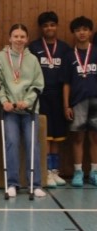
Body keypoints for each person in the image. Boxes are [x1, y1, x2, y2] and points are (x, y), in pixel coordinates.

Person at [0, 23, 46, 198]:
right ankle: (12, 183)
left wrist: (28, 101)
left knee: (33, 144)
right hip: (10, 110)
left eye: (22, 36)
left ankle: (35, 184)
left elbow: (38, 85)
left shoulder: (32, 60)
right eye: (15, 36)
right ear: (10, 38)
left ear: (27, 39)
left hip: (29, 110)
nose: (19, 39)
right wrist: (4, 101)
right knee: (12, 142)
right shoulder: (0, 58)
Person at [29, 11, 71, 188]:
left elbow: (68, 78)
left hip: (59, 95)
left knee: (57, 136)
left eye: (52, 25)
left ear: (57, 26)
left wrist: (66, 102)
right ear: (41, 28)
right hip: (41, 95)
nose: (49, 28)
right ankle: (45, 171)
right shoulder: (34, 47)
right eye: (45, 25)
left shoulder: (65, 48)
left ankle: (55, 171)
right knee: (45, 135)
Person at [62, 16, 97, 187]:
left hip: (96, 101)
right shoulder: (69, 55)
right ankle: (77, 172)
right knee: (78, 138)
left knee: (95, 138)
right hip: (77, 102)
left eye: (85, 29)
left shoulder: (96, 52)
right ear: (73, 33)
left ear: (90, 31)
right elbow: (66, 83)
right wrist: (66, 105)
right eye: (78, 30)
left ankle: (94, 172)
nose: (81, 33)